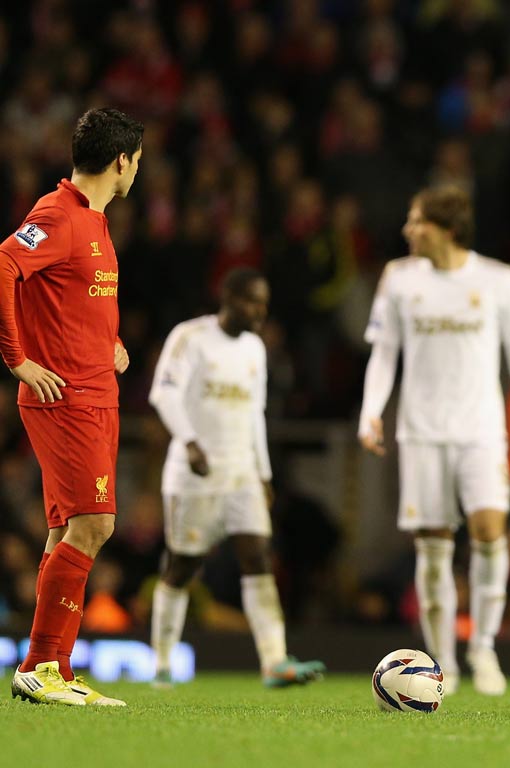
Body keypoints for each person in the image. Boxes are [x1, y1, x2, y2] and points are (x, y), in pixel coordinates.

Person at [358, 185, 510, 695]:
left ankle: (483, 648)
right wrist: (371, 411)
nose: (407, 231)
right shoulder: (398, 278)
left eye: (416, 222)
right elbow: (384, 351)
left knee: (489, 531)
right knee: (433, 548)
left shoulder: (499, 281)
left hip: (481, 431)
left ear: (446, 229)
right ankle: (445, 665)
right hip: (421, 432)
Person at [1, 107, 143, 706]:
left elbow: (72, 299)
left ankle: (51, 667)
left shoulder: (95, 222)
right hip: (66, 398)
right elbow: (5, 264)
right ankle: (40, 665)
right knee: (94, 525)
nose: (136, 171)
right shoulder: (57, 214)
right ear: (121, 161)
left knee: (66, 531)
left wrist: (107, 341)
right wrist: (17, 359)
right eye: (137, 161)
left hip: (94, 391)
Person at [148, 267, 325, 688]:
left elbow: (255, 416)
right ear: (227, 296)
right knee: (182, 566)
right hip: (194, 473)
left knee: (258, 556)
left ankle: (274, 661)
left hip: (241, 471)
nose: (260, 312)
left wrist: (263, 473)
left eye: (264, 304)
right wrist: (189, 441)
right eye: (252, 302)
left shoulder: (255, 349)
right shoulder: (190, 338)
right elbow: (164, 392)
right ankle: (161, 662)